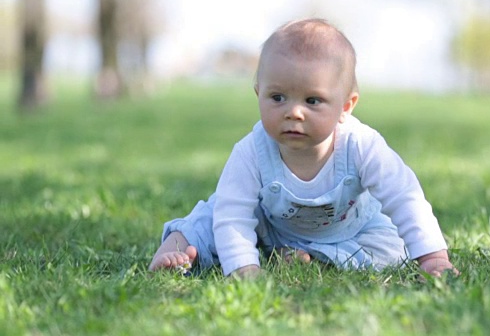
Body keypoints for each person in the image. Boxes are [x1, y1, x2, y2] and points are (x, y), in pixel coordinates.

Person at [149, 18, 457, 279]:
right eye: (278, 97)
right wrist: (245, 270)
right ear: (259, 93)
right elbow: (234, 215)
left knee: (391, 247)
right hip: (268, 226)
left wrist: (433, 258)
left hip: (347, 230)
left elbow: (404, 196)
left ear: (345, 106)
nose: (293, 112)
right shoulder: (251, 152)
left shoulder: (361, 145)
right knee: (214, 214)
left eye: (312, 101)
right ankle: (177, 246)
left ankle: (307, 256)